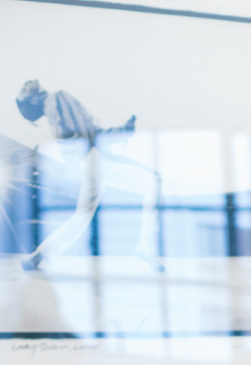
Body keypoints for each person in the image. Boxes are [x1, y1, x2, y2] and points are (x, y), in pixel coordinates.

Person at [14, 78, 161, 270]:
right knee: (152, 181)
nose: (30, 84)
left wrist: (117, 132)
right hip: (95, 158)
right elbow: (88, 133)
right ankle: (147, 247)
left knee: (81, 216)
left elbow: (80, 134)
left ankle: (39, 256)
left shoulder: (53, 109)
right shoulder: (58, 98)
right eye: (26, 91)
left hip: (85, 163)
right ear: (33, 100)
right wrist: (121, 131)